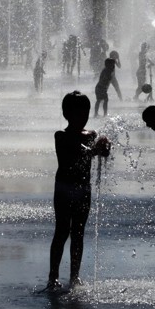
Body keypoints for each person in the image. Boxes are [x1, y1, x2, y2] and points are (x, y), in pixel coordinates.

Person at [47, 91, 110, 290]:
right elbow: (79, 150)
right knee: (62, 231)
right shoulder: (61, 136)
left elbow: (101, 152)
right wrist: (94, 150)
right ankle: (53, 276)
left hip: (83, 188)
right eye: (78, 113)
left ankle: (75, 276)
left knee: (79, 233)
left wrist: (105, 146)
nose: (82, 117)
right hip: (64, 189)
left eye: (86, 113)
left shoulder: (91, 135)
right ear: (67, 114)